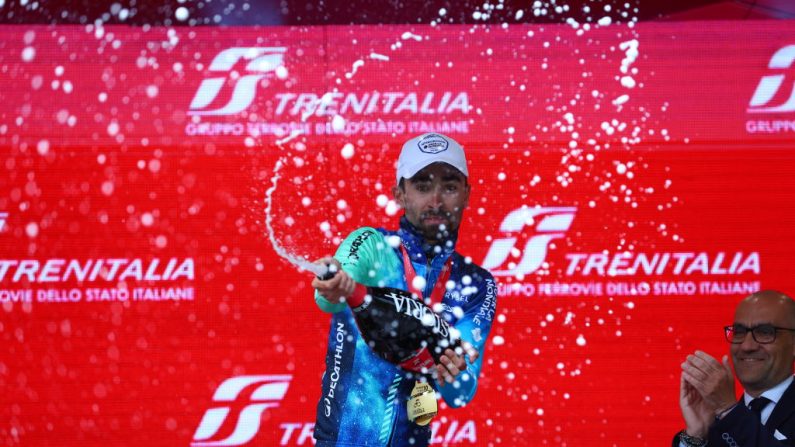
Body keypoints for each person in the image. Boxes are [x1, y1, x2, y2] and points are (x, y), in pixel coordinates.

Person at [310, 133, 498, 447]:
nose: (436, 201)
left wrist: (453, 372)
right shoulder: (371, 244)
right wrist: (337, 284)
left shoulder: (476, 283)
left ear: (467, 194)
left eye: (449, 186)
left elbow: (461, 393)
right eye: (422, 186)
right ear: (400, 194)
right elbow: (325, 298)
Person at [675, 290, 795, 447]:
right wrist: (696, 436)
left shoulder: (730, 415)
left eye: (765, 332)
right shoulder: (716, 424)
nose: (747, 346)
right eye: (739, 332)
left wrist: (729, 409)